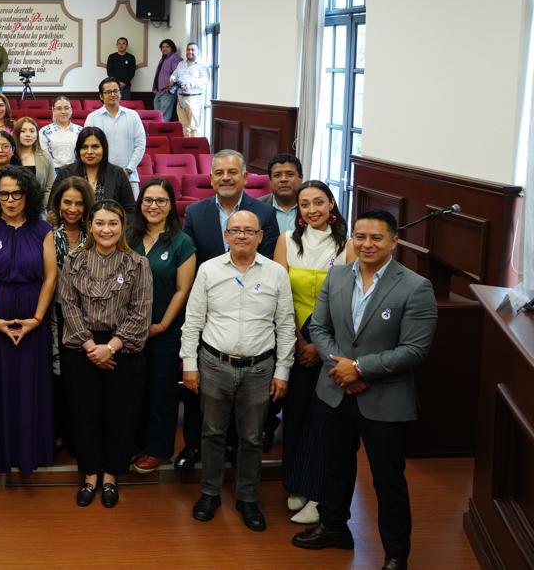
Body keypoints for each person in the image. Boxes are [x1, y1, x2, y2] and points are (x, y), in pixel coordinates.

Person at [292, 210, 436, 570]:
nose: (367, 244)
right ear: (352, 238)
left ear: (394, 242)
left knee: (388, 481)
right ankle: (334, 528)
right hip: (334, 391)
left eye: (376, 238)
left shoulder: (415, 287)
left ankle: (396, 553)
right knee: (334, 468)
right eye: (360, 237)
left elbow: (414, 350)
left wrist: (358, 368)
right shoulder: (337, 275)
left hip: (384, 399)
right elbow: (319, 328)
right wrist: (341, 367)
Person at [181, 210, 294, 532]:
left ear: (260, 236)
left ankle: (247, 498)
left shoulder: (276, 273)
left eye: (249, 230)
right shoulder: (208, 270)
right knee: (212, 432)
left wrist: (283, 371)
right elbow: (193, 322)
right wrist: (190, 365)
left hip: (259, 368)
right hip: (214, 364)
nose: (242, 235)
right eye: (235, 230)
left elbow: (286, 325)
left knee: (252, 437)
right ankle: (210, 493)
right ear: (226, 235)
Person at [174, 149, 280, 472]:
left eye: (232, 172)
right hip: (208, 306)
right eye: (219, 173)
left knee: (243, 394)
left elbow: (268, 261)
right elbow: (190, 261)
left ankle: (234, 448)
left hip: (251, 307)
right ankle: (194, 446)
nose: (225, 178)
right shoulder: (196, 212)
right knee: (200, 387)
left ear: (245, 177)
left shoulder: (264, 213)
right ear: (210, 178)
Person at [59, 200, 152, 508]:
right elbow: (68, 305)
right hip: (82, 348)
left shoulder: (137, 263)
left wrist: (110, 347)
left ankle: (111, 475)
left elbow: (140, 313)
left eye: (113, 223)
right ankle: (89, 475)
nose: (106, 229)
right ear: (90, 226)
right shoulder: (74, 260)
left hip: (122, 349)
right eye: (99, 223)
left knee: (119, 414)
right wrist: (90, 346)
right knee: (84, 413)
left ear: (122, 227)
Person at [274, 180, 354, 525]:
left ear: (331, 204)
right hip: (294, 337)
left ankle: (318, 492)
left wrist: (320, 349)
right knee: (295, 415)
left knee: (324, 419)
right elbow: (280, 296)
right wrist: (298, 342)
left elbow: (350, 303)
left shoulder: (348, 245)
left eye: (318, 202)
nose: (312, 210)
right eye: (304, 204)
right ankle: (295, 482)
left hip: (332, 343)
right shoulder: (286, 241)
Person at [0, 166, 57, 473]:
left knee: (29, 386)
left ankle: (29, 452)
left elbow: (50, 277)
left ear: (28, 195)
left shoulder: (43, 229)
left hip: (34, 321)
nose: (10, 200)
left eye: (16, 194)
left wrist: (37, 318)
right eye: (4, 194)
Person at [126, 177, 197, 475]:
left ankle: (158, 449)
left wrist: (162, 324)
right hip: (128, 331)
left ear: (170, 206)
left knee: (161, 391)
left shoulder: (182, 242)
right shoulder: (128, 236)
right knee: (133, 391)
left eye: (161, 201)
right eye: (148, 200)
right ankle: (135, 442)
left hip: (165, 331)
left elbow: (183, 289)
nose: (153, 206)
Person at [48, 175, 94, 453]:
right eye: (67, 202)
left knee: (83, 379)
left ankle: (81, 439)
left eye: (78, 203)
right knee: (59, 376)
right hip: (57, 314)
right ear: (58, 204)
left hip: (91, 315)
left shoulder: (95, 234)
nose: (73, 209)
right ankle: (59, 434)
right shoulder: (48, 236)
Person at [84, 77, 147, 196]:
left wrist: (128, 169)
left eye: (115, 91)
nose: (113, 94)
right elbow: (87, 147)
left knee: (132, 207)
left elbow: (140, 145)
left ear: (120, 93)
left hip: (129, 176)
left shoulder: (133, 116)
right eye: (108, 92)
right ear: (101, 96)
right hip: (100, 177)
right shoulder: (92, 118)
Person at [53, 127, 135, 212]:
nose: (89, 152)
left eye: (95, 147)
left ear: (104, 148)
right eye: (84, 147)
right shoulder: (65, 173)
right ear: (78, 150)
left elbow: (130, 210)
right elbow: (53, 207)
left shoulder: (117, 174)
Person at [174, 43, 211, 138]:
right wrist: (172, 79)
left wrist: (191, 83)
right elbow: (174, 75)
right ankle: (186, 146)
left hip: (194, 99)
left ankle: (194, 147)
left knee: (194, 127)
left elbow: (205, 80)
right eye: (188, 49)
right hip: (180, 98)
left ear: (198, 52)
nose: (190, 51)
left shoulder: (202, 65)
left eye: (193, 50)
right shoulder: (181, 64)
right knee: (184, 126)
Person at [13, 116, 56, 199]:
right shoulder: (10, 156)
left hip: (39, 205)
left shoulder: (45, 157)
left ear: (37, 135)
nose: (28, 135)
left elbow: (50, 188)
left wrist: (43, 204)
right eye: (23, 131)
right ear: (17, 134)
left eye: (32, 131)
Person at [266, 153, 304, 238]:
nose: (283, 179)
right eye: (277, 175)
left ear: (301, 178)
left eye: (290, 174)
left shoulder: (312, 208)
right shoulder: (256, 208)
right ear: (270, 180)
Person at [39, 96, 83, 169]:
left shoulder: (80, 131)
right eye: (59, 108)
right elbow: (44, 158)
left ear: (71, 110)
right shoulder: (44, 132)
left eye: (66, 108)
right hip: (53, 171)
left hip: (76, 171)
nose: (63, 112)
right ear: (53, 111)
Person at [152, 39, 182, 122]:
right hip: (158, 91)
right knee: (157, 117)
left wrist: (170, 89)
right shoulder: (163, 59)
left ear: (172, 48)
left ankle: (161, 131)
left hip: (167, 92)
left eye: (167, 47)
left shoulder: (175, 58)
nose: (164, 49)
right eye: (162, 47)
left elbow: (177, 75)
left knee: (163, 118)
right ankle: (157, 131)